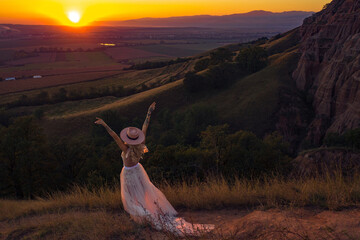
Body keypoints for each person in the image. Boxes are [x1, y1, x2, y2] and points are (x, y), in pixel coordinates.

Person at [95, 102, 214, 236]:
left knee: (131, 197)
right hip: (138, 170)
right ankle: (147, 212)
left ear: (127, 140)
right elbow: (145, 126)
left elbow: (114, 136)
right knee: (145, 192)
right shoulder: (141, 145)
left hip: (128, 174)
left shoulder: (125, 149)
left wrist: (104, 124)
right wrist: (149, 112)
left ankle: (142, 216)